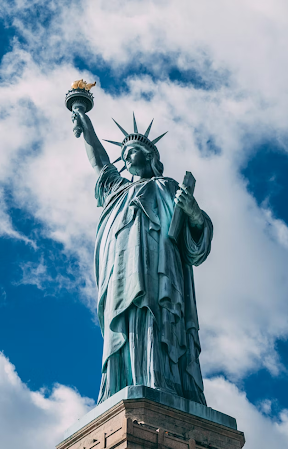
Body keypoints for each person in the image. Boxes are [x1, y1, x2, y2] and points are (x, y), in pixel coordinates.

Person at [72, 110, 213, 405]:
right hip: (122, 271)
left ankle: (160, 379)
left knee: (159, 319)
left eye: (132, 152)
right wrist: (86, 127)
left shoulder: (168, 187)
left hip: (161, 270)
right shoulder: (117, 190)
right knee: (126, 321)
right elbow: (100, 162)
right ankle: (123, 382)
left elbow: (196, 242)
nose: (126, 159)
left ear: (150, 156)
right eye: (123, 155)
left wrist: (194, 213)